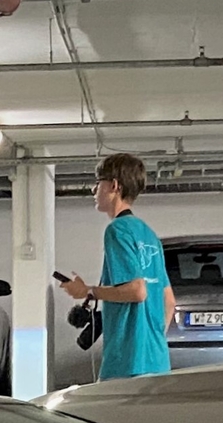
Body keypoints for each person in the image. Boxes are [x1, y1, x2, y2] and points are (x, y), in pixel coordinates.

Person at [59, 153, 172, 380]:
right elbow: (168, 301)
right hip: (157, 360)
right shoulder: (149, 235)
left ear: (114, 186)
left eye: (98, 183)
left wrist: (88, 291)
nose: (94, 190)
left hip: (126, 362)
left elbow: (137, 291)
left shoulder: (117, 231)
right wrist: (150, 343)